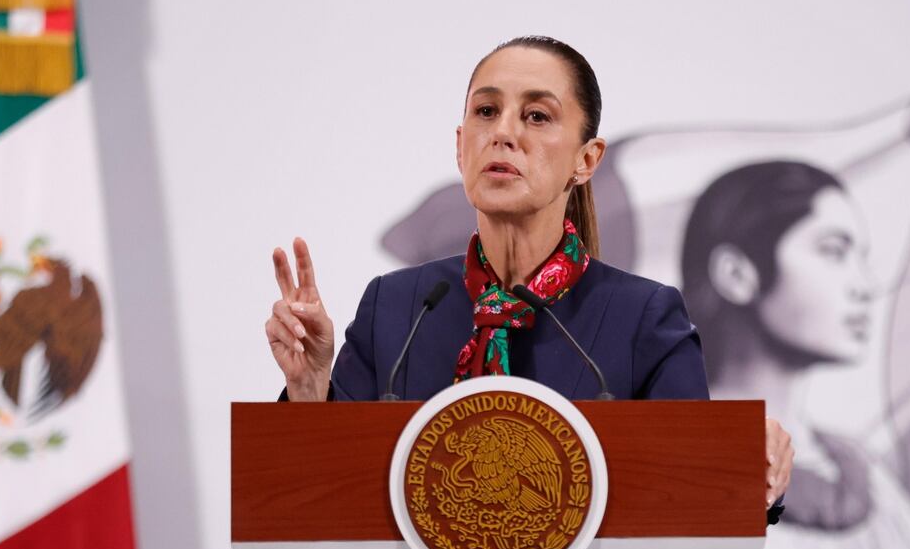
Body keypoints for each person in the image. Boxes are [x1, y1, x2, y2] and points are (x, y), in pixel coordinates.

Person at [265, 36, 792, 509]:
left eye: (537, 116)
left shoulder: (643, 318)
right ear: (459, 145)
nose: (504, 133)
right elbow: (320, 499)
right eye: (486, 111)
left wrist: (748, 467)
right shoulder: (397, 308)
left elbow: (693, 501)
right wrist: (310, 390)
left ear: (586, 161)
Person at [680, 160, 910, 549]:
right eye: (834, 251)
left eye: (863, 258)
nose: (865, 286)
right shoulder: (667, 461)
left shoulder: (863, 471)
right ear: (736, 273)